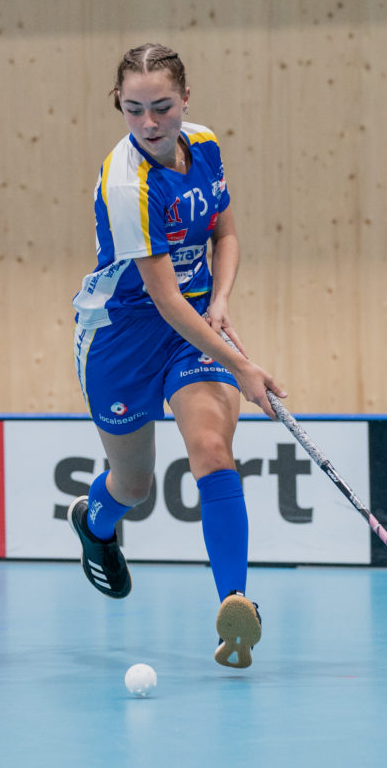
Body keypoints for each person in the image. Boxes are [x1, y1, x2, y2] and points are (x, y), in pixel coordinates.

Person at [68, 44, 287, 669]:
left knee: (213, 449)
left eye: (162, 107)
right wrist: (242, 366)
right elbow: (162, 300)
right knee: (133, 484)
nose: (149, 122)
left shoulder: (205, 145)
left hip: (193, 324)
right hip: (122, 336)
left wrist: (221, 301)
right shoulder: (125, 181)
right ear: (121, 106)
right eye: (134, 110)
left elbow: (226, 232)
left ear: (185, 99)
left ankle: (234, 609)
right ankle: (96, 522)